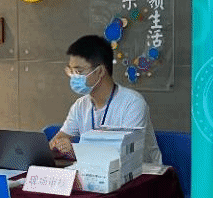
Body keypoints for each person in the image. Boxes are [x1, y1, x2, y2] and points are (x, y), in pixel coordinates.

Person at [49, 35, 162, 164]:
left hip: (140, 172)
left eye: (78, 72)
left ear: (100, 71)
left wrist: (75, 151)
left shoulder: (133, 103)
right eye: (71, 71)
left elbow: (126, 154)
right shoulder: (80, 105)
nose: (73, 77)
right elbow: (58, 140)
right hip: (94, 170)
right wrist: (58, 145)